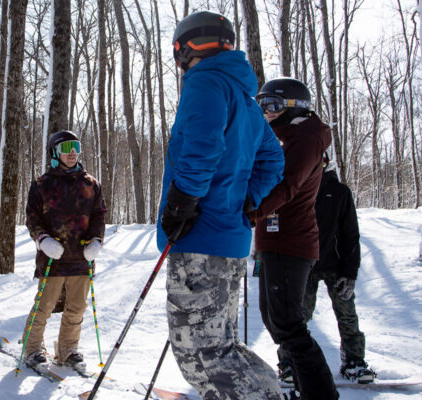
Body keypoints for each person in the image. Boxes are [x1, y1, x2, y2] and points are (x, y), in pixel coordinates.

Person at [157, 11, 286, 400]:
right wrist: (246, 199)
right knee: (223, 349)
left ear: (185, 48)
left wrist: (183, 202)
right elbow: (274, 161)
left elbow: (202, 146)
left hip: (200, 239)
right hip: (228, 241)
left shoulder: (205, 82)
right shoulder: (245, 99)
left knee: (201, 359)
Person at [248, 78, 339, 399]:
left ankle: (320, 394)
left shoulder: (305, 138)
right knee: (276, 323)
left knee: (288, 324)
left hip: (291, 240)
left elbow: (287, 186)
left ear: (293, 106)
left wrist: (248, 210)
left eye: (272, 105)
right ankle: (306, 389)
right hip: (273, 240)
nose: (266, 113)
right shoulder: (286, 137)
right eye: (262, 106)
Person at [276, 152, 376, 384]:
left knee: (347, 315)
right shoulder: (294, 190)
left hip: (336, 266)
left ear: (325, 163)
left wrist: (350, 274)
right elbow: (278, 228)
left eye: (318, 162)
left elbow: (351, 235)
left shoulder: (340, 192)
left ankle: (354, 362)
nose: (313, 166)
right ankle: (289, 363)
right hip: (303, 265)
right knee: (298, 317)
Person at [21, 130, 106, 371]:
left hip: (81, 257)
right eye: (67, 147)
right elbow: (32, 217)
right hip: (53, 258)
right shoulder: (42, 184)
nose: (72, 152)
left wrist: (97, 241)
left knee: (77, 307)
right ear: (55, 152)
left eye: (76, 147)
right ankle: (33, 348)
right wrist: (43, 239)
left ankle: (68, 349)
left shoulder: (90, 184)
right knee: (44, 305)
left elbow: (99, 215)